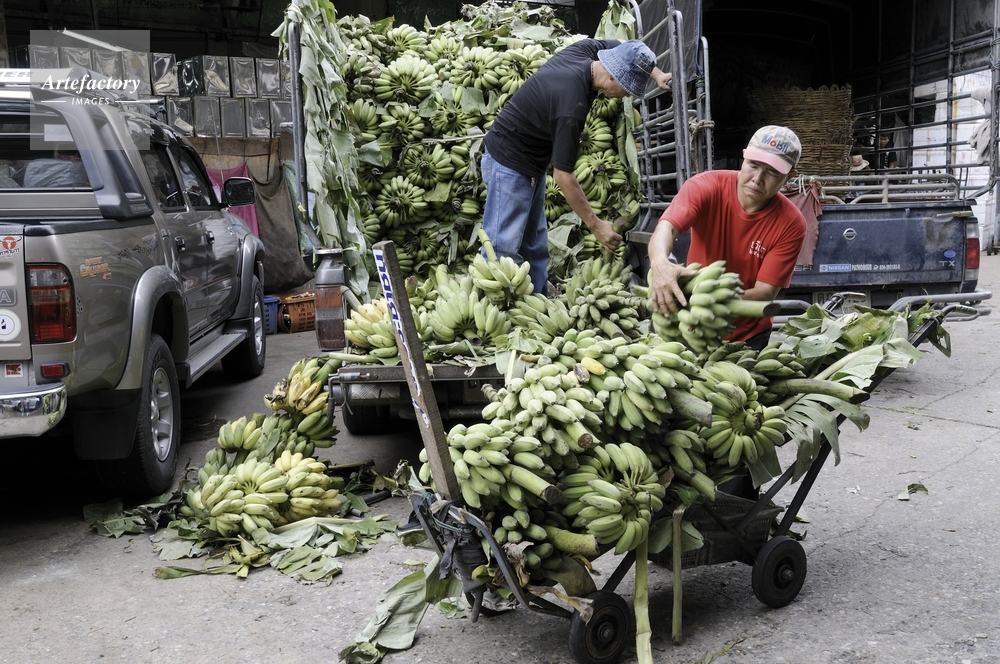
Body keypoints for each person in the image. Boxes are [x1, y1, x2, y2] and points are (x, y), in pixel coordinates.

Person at [480, 39, 672, 293]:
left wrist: (656, 74)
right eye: (627, 89)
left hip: (532, 163)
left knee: (534, 246)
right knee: (502, 247)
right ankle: (495, 305)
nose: (627, 95)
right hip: (509, 160)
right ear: (613, 77)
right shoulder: (572, 104)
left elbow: (627, 47)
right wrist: (597, 225)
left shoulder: (588, 53)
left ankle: (538, 301)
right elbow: (563, 176)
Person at [647, 125, 807, 350]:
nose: (757, 179)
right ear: (744, 157)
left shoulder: (791, 223)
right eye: (753, 165)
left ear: (789, 177)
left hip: (747, 335)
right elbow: (667, 227)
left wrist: (707, 302)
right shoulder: (706, 186)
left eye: (772, 172)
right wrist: (660, 263)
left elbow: (765, 292)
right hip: (689, 325)